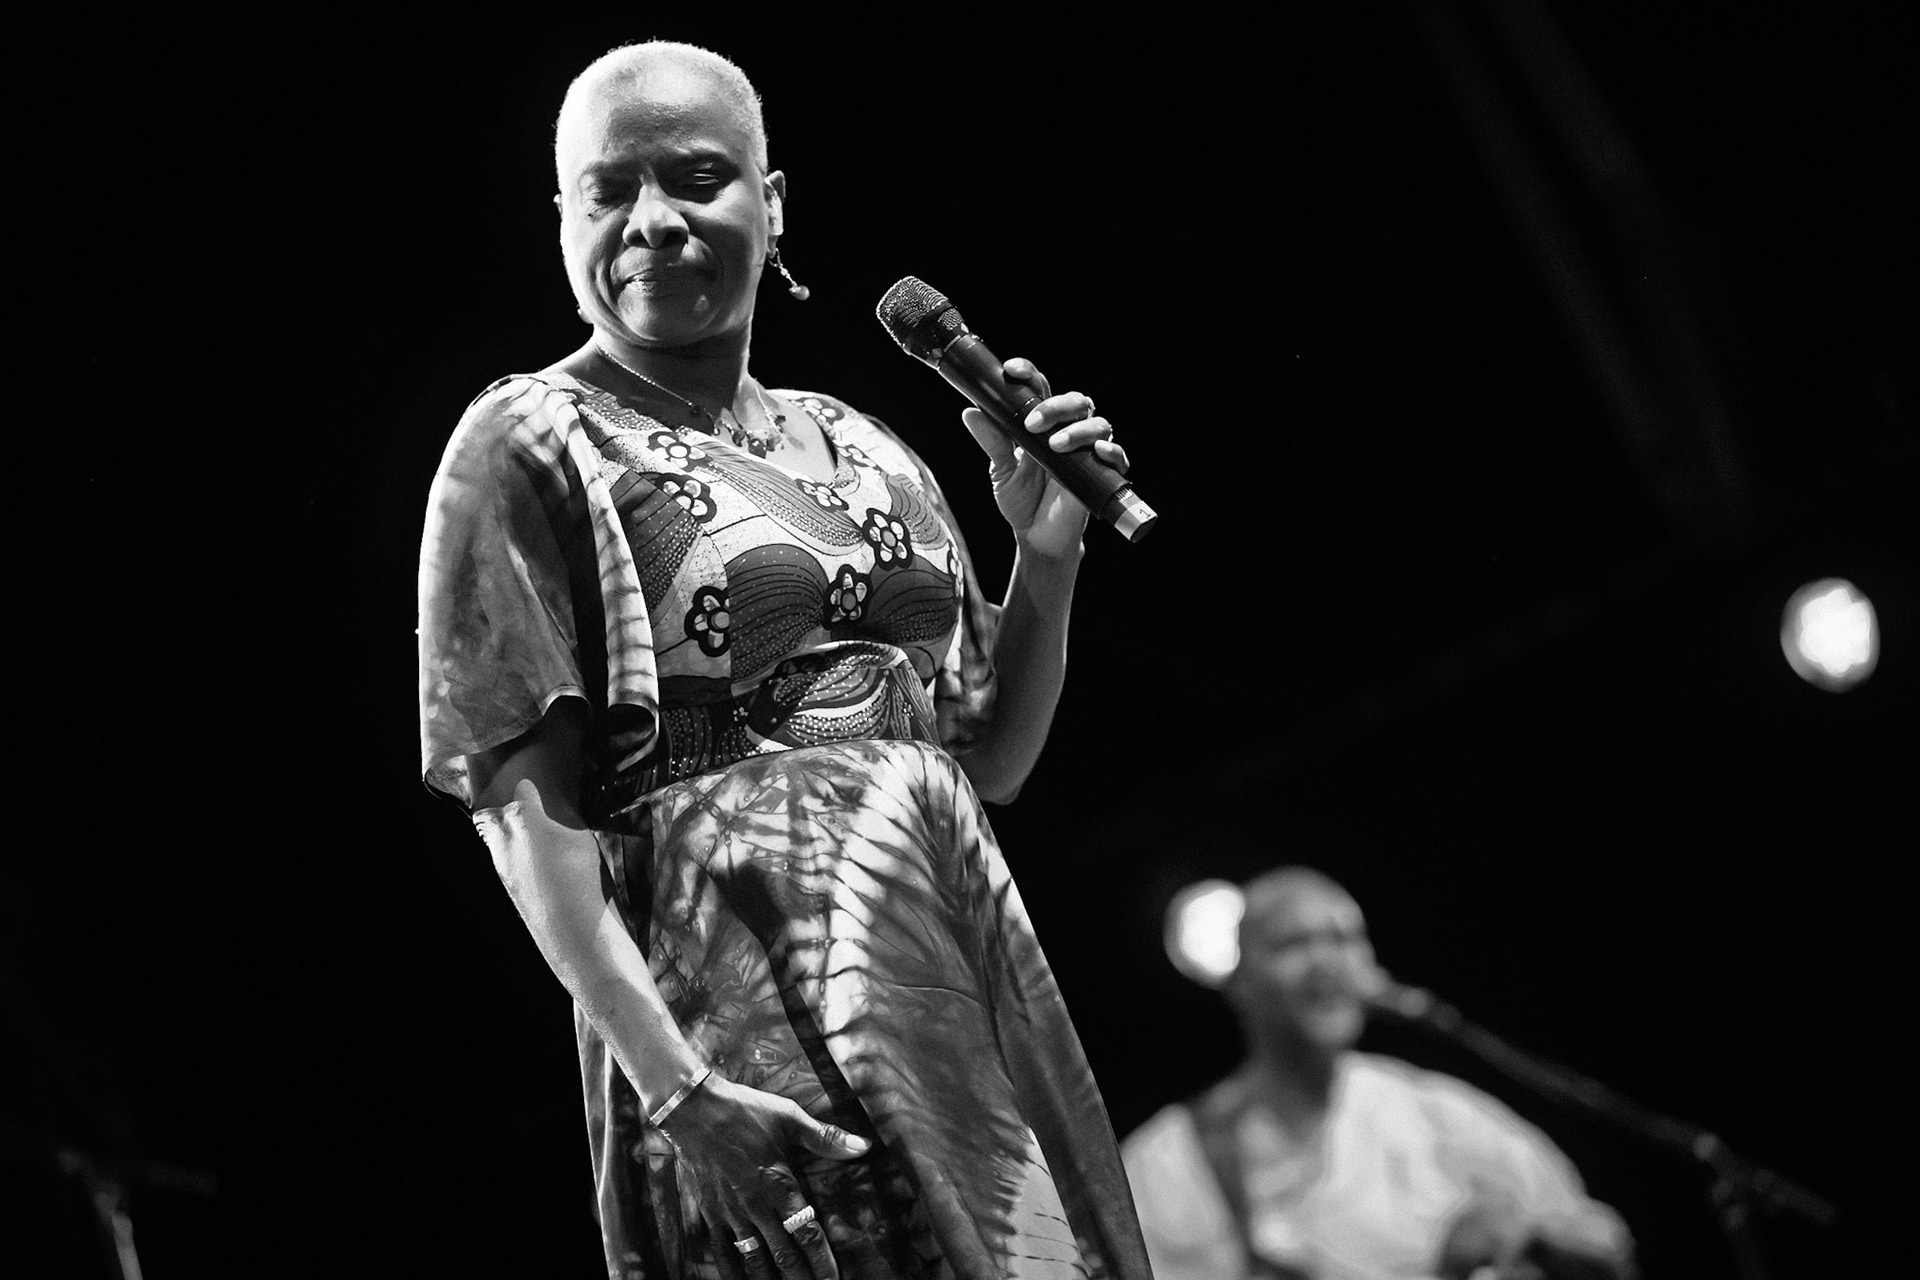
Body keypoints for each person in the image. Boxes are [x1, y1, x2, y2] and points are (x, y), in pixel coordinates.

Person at [415, 39, 1152, 1280]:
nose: (653, 219)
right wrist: (677, 1084)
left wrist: (1049, 551)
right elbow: (518, 799)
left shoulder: (860, 441)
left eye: (697, 177)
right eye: (609, 191)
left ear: (772, 202)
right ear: (564, 221)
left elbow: (991, 757)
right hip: (742, 1016)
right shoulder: (532, 435)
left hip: (957, 976)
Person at [1121, 868, 1636, 1280]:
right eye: (1293, 943)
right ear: (1240, 984)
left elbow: (1606, 1244)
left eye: (1346, 938)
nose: (1327, 962)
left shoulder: (1435, 1115)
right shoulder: (1171, 1161)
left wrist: (1531, 1236)